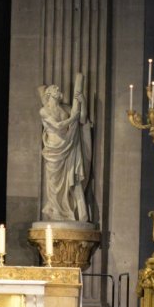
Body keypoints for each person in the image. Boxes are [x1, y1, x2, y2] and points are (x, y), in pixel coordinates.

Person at [38, 74, 92, 222]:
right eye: (55, 88)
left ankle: (78, 214)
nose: (58, 89)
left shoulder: (66, 109)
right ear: (49, 94)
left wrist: (83, 102)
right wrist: (73, 118)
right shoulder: (44, 111)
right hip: (53, 150)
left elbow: (82, 119)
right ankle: (56, 211)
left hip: (69, 146)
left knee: (73, 178)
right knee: (54, 183)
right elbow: (57, 125)